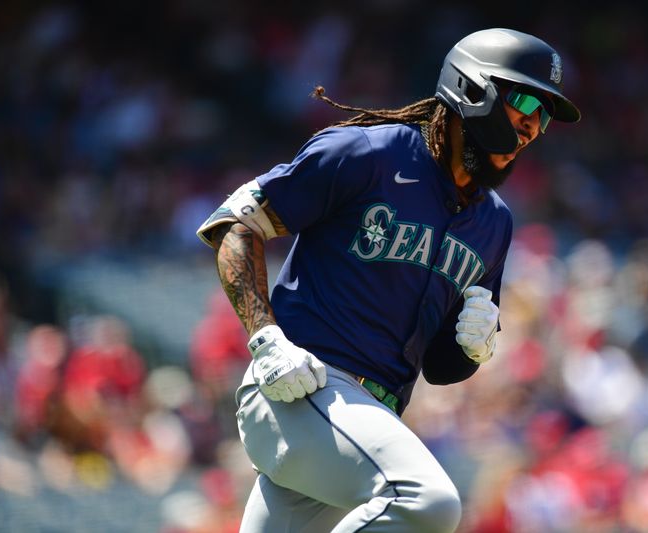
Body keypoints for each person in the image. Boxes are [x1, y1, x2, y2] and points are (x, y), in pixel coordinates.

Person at [196, 27, 580, 533]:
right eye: (526, 101)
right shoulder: (369, 154)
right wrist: (265, 338)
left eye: (546, 115)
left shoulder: (495, 223)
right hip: (298, 388)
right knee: (426, 501)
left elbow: (441, 366)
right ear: (473, 89)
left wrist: (472, 347)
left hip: (366, 422)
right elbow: (234, 225)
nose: (533, 125)